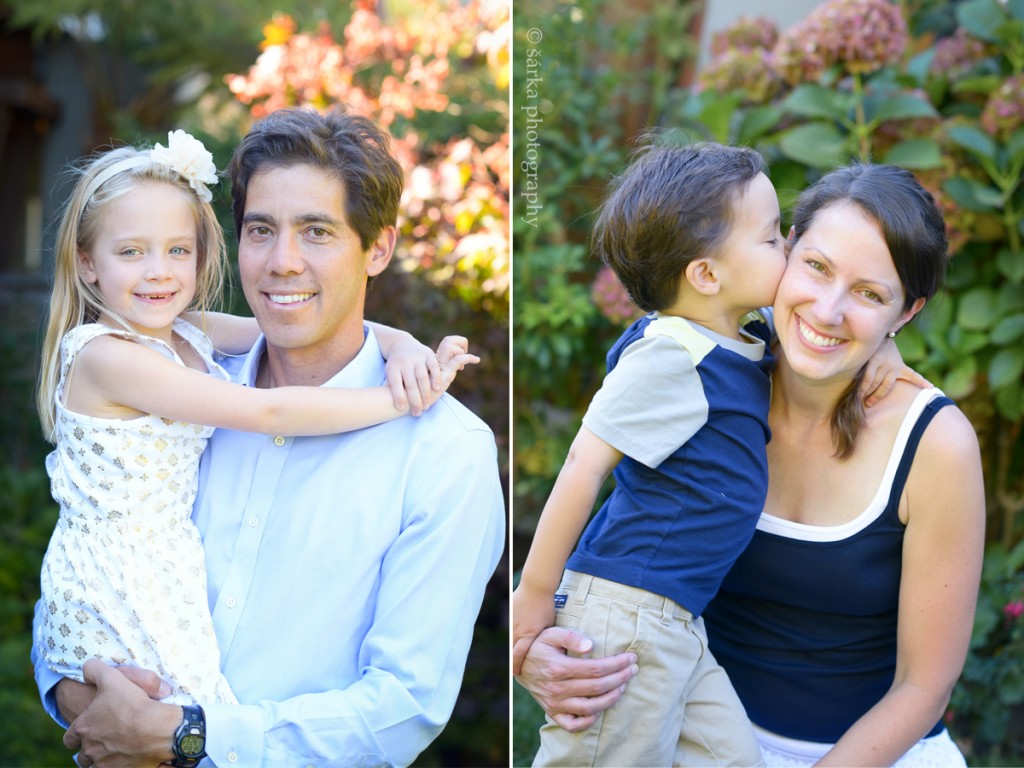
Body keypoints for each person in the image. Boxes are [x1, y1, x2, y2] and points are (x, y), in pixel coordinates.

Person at [34, 108, 506, 767]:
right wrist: (75, 689)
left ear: (378, 248)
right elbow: (87, 569)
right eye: (261, 230)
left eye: (316, 232)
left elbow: (402, 708)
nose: (282, 263)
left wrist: (184, 739)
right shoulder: (176, 380)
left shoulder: (444, 452)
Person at [516, 163, 985, 767]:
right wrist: (541, 644)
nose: (828, 309)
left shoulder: (935, 444)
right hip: (688, 723)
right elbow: (617, 538)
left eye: (871, 294)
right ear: (783, 248)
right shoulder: (708, 379)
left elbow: (924, 686)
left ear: (907, 312)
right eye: (815, 267)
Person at [513, 141, 785, 766]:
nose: (789, 248)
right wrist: (533, 597)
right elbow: (583, 465)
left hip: (678, 618)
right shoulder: (672, 353)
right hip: (627, 613)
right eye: (772, 239)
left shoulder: (744, 334)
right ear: (707, 276)